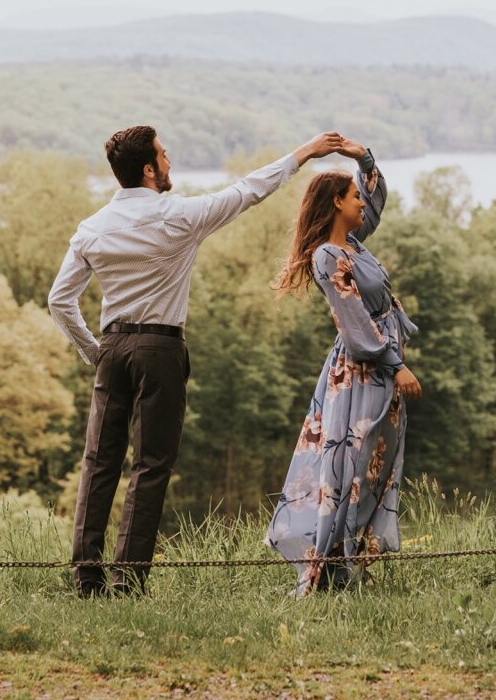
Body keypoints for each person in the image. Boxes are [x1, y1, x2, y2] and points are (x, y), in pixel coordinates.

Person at [48, 125, 345, 597]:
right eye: (164, 156)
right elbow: (249, 190)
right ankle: (126, 582)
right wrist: (306, 153)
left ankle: (86, 579)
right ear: (148, 169)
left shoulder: (92, 228)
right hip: (160, 350)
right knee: (150, 465)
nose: (170, 163)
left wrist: (94, 351)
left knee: (98, 463)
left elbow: (60, 300)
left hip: (113, 347)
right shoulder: (182, 216)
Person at [266, 138, 422, 594]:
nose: (361, 202)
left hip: (378, 368)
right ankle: (327, 566)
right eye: (352, 196)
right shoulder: (327, 257)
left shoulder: (351, 243)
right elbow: (354, 323)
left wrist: (363, 158)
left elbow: (374, 200)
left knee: (376, 462)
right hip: (361, 372)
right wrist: (396, 366)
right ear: (337, 203)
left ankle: (348, 563)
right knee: (350, 464)